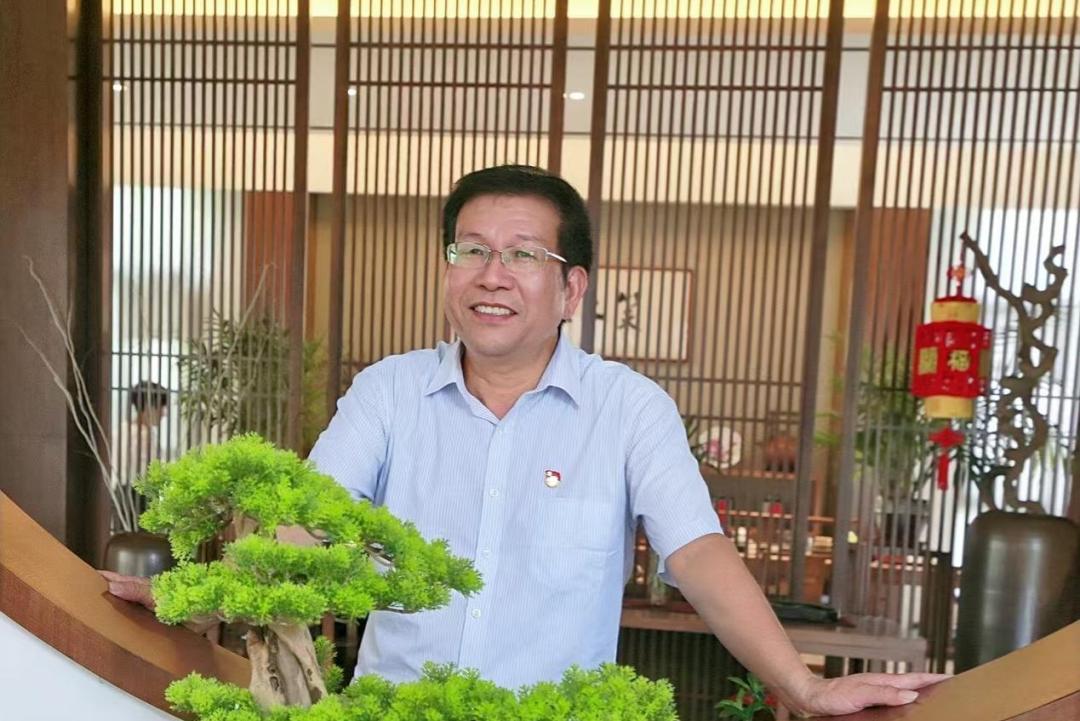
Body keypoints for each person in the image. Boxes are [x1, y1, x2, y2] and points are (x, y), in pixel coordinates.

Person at [106, 165, 946, 716]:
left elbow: (696, 552)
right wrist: (197, 594)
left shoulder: (629, 407)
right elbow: (306, 525)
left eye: (522, 254)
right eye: (470, 250)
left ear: (572, 288)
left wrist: (799, 683)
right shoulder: (389, 391)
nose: (491, 274)